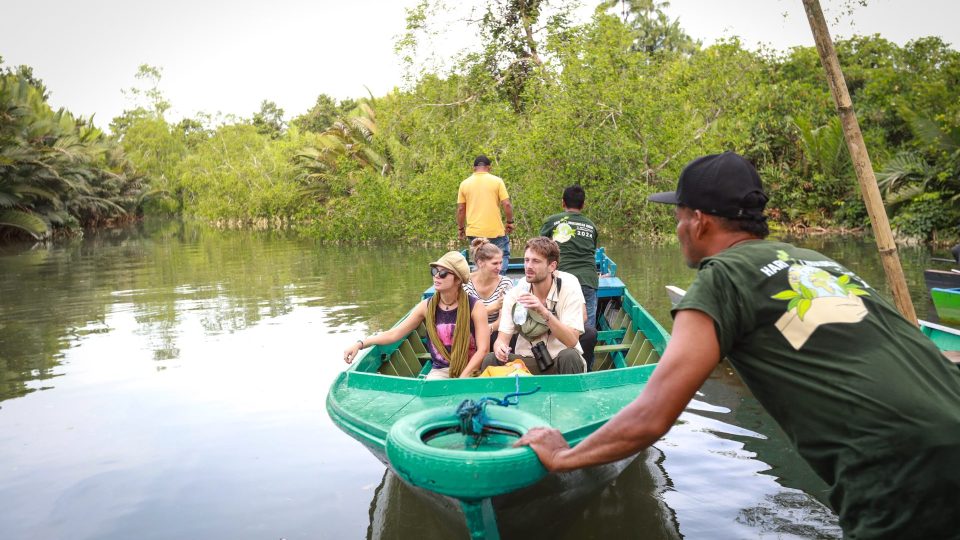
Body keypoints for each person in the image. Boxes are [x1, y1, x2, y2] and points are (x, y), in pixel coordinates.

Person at [516, 151, 960, 538]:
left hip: (901, 468)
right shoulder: (813, 260)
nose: (677, 229)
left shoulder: (722, 279)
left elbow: (652, 416)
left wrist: (563, 456)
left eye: (678, 217)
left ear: (699, 221)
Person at [343, 251, 489, 379]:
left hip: (470, 369)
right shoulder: (426, 306)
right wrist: (360, 344)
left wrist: (463, 378)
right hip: (440, 370)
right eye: (434, 271)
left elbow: (483, 349)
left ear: (457, 279)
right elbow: (395, 334)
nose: (437, 276)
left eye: (443, 273)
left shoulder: (476, 307)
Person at [481, 237, 587, 374]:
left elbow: (572, 341)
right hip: (525, 363)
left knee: (570, 356)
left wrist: (543, 312)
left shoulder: (569, 289)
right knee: (491, 359)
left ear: (552, 266)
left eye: (536, 261)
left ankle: (570, 394)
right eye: (526, 260)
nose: (528, 266)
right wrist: (500, 347)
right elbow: (502, 339)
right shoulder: (515, 294)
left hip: (559, 362)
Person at [540, 185, 599, 368]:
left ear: (563, 203)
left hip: (559, 279)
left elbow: (540, 248)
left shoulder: (552, 221)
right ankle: (585, 367)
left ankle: (559, 363)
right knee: (585, 329)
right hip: (587, 280)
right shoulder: (591, 225)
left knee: (557, 322)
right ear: (584, 204)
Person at [457, 155, 514, 275]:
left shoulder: (464, 184)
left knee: (479, 261)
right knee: (501, 258)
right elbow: (507, 204)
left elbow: (461, 209)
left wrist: (461, 228)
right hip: (495, 231)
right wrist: (509, 222)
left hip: (474, 232)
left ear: (474, 168)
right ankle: (498, 283)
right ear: (489, 168)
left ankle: (478, 286)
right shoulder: (497, 181)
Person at [462, 238, 513, 347]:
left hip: (494, 332)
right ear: (480, 263)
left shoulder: (505, 283)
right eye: (494, 263)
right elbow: (463, 318)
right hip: (469, 333)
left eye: (500, 263)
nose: (499, 267)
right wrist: (493, 307)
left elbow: (504, 320)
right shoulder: (466, 283)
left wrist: (488, 328)